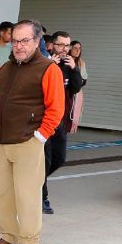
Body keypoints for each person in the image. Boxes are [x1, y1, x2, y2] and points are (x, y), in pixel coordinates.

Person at [0, 20, 64, 244]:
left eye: (24, 40)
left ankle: (29, 240)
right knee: (1, 191)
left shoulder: (48, 69)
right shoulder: (5, 68)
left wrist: (40, 135)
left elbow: (56, 108)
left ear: (37, 41)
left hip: (28, 140)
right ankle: (9, 235)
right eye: (15, 41)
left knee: (27, 192)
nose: (18, 45)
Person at [40, 31, 84, 214]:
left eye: (67, 45)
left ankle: (32, 182)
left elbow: (76, 88)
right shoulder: (45, 64)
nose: (64, 49)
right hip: (44, 121)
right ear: (52, 45)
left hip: (60, 121)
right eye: (61, 45)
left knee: (59, 159)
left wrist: (74, 69)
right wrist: (52, 66)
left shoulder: (69, 66)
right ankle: (42, 197)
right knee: (45, 161)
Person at [69, 40, 87, 133]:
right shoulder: (66, 60)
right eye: (75, 48)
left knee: (75, 112)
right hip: (67, 90)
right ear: (70, 49)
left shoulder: (81, 62)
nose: (77, 50)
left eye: (79, 49)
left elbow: (84, 79)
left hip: (77, 91)